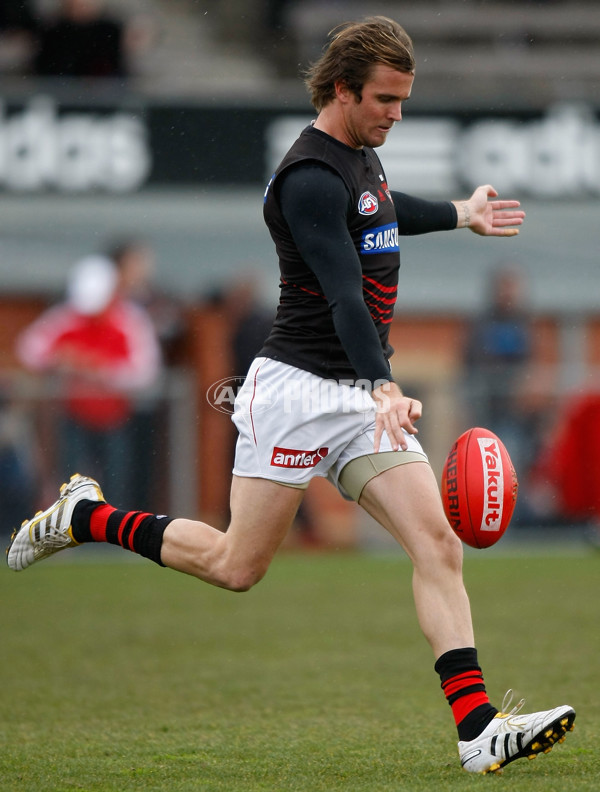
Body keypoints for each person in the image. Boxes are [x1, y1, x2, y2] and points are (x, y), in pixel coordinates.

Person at [6, 16, 575, 775]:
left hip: (359, 395)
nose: (395, 115)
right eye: (384, 100)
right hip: (299, 392)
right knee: (238, 565)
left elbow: (380, 207)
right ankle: (87, 515)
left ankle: (476, 731)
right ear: (341, 89)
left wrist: (460, 215)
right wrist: (383, 384)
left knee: (437, 544)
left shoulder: (359, 157)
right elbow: (344, 293)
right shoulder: (309, 176)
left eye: (403, 101)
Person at [15, 254, 161, 506]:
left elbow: (145, 371)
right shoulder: (66, 317)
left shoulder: (130, 321)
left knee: (116, 480)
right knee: (70, 480)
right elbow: (30, 349)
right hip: (73, 416)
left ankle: (113, 535)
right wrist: (62, 360)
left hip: (115, 417)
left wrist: (102, 371)